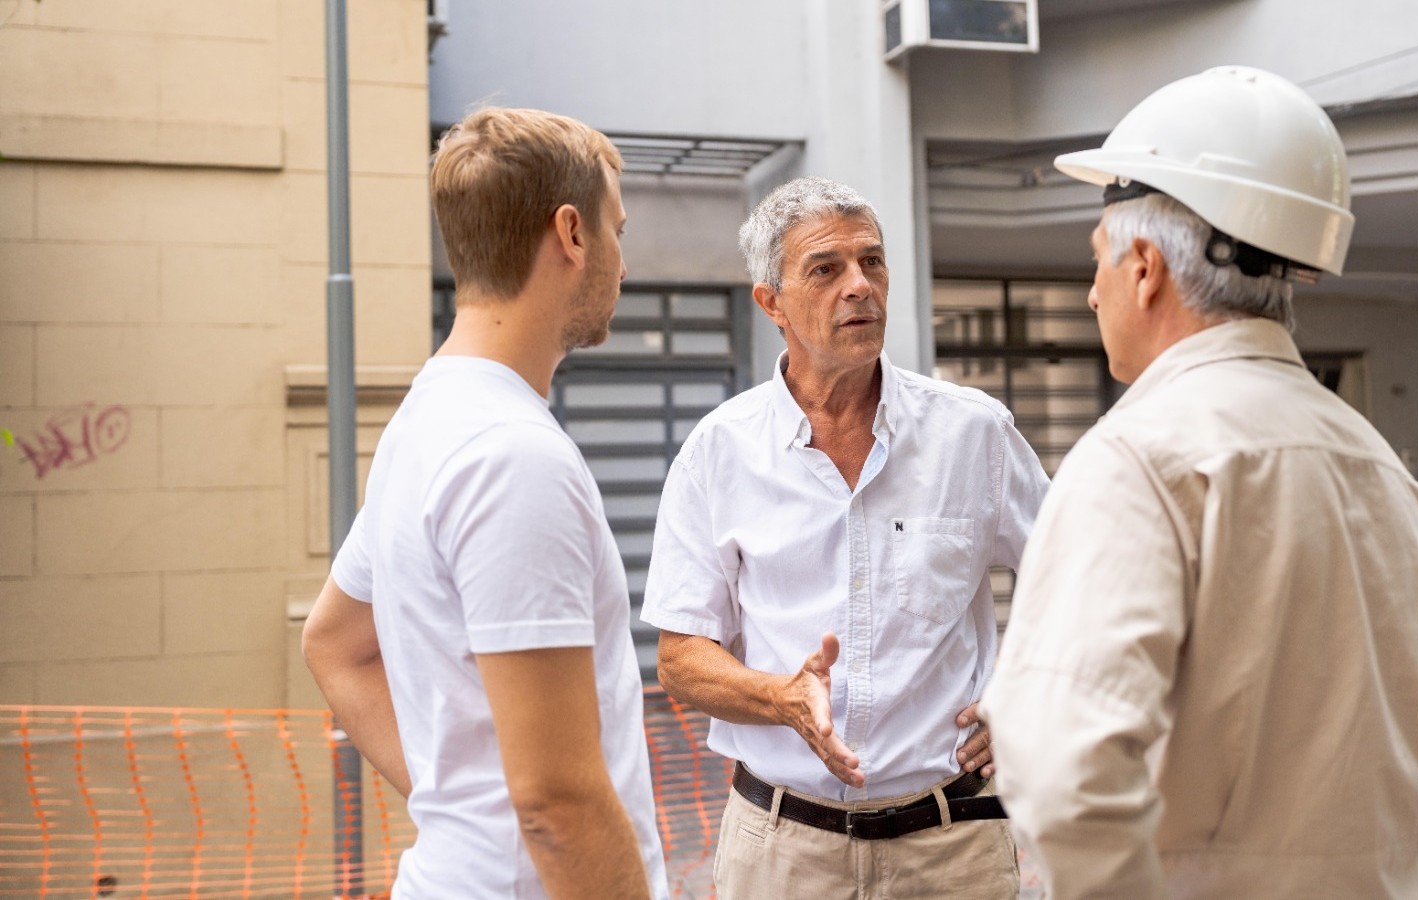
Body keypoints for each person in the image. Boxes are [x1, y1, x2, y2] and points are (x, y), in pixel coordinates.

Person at [982, 66, 1418, 898]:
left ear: (1145, 269)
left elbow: (1063, 769)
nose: (1093, 290)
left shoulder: (1139, 459)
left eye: (1098, 260)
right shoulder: (1383, 470)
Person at [642, 176, 1050, 898]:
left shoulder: (973, 433)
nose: (860, 286)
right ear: (771, 302)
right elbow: (680, 659)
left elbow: (1075, 579)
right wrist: (781, 698)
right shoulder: (719, 452)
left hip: (952, 848)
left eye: (873, 262)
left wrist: (1024, 693)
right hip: (782, 853)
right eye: (826, 269)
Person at [300, 107, 666, 899]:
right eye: (617, 230)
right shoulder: (512, 456)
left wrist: (461, 807)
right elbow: (557, 805)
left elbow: (333, 645)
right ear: (571, 233)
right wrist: (492, 814)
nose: (623, 263)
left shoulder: (424, 425)